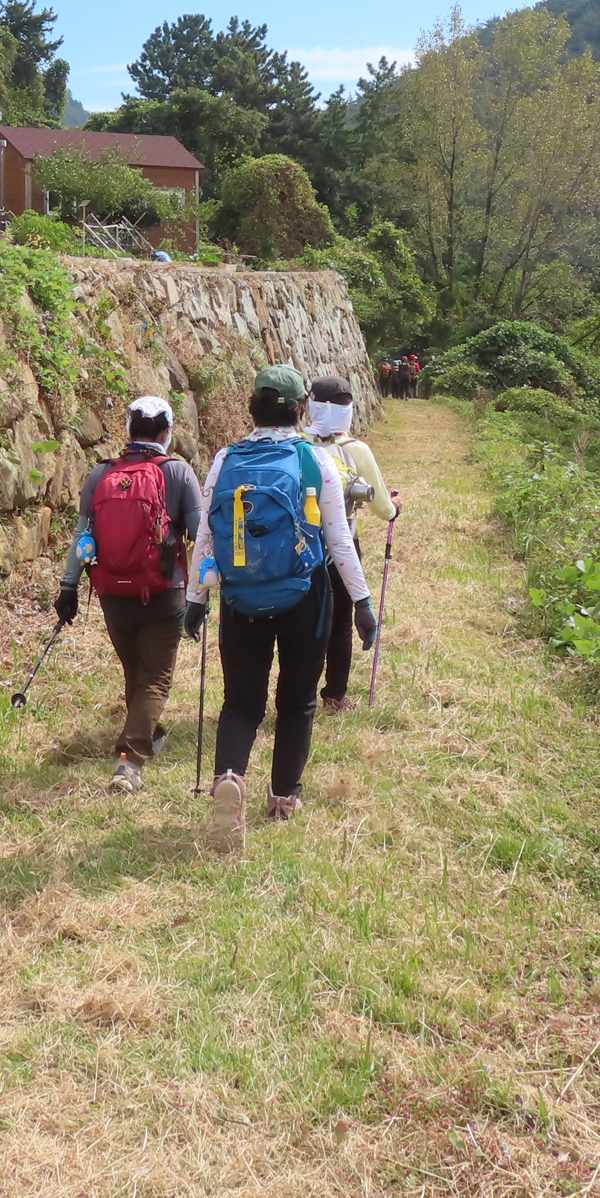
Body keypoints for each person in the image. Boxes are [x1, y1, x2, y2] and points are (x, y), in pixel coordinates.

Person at [190, 363, 375, 852]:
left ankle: (230, 777)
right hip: (304, 594)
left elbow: (206, 535)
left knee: (241, 703)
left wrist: (194, 599)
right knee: (297, 701)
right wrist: (361, 601)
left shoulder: (226, 458)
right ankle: (283, 797)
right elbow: (339, 539)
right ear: (300, 410)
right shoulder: (316, 461)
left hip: (240, 596)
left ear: (251, 406)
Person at [55, 395, 206, 794]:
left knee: (136, 672)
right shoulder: (178, 472)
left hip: (112, 592)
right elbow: (201, 535)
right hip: (164, 591)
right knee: (154, 678)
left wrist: (69, 586)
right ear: (167, 432)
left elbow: (82, 535)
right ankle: (129, 762)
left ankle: (150, 734)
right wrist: (203, 590)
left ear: (128, 428)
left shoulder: (101, 473)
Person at [304, 372, 397, 714]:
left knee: (304, 621)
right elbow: (383, 508)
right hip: (342, 545)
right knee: (341, 622)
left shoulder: (298, 445)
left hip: (299, 547)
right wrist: (394, 509)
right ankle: (334, 695)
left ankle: (300, 692)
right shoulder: (356, 450)